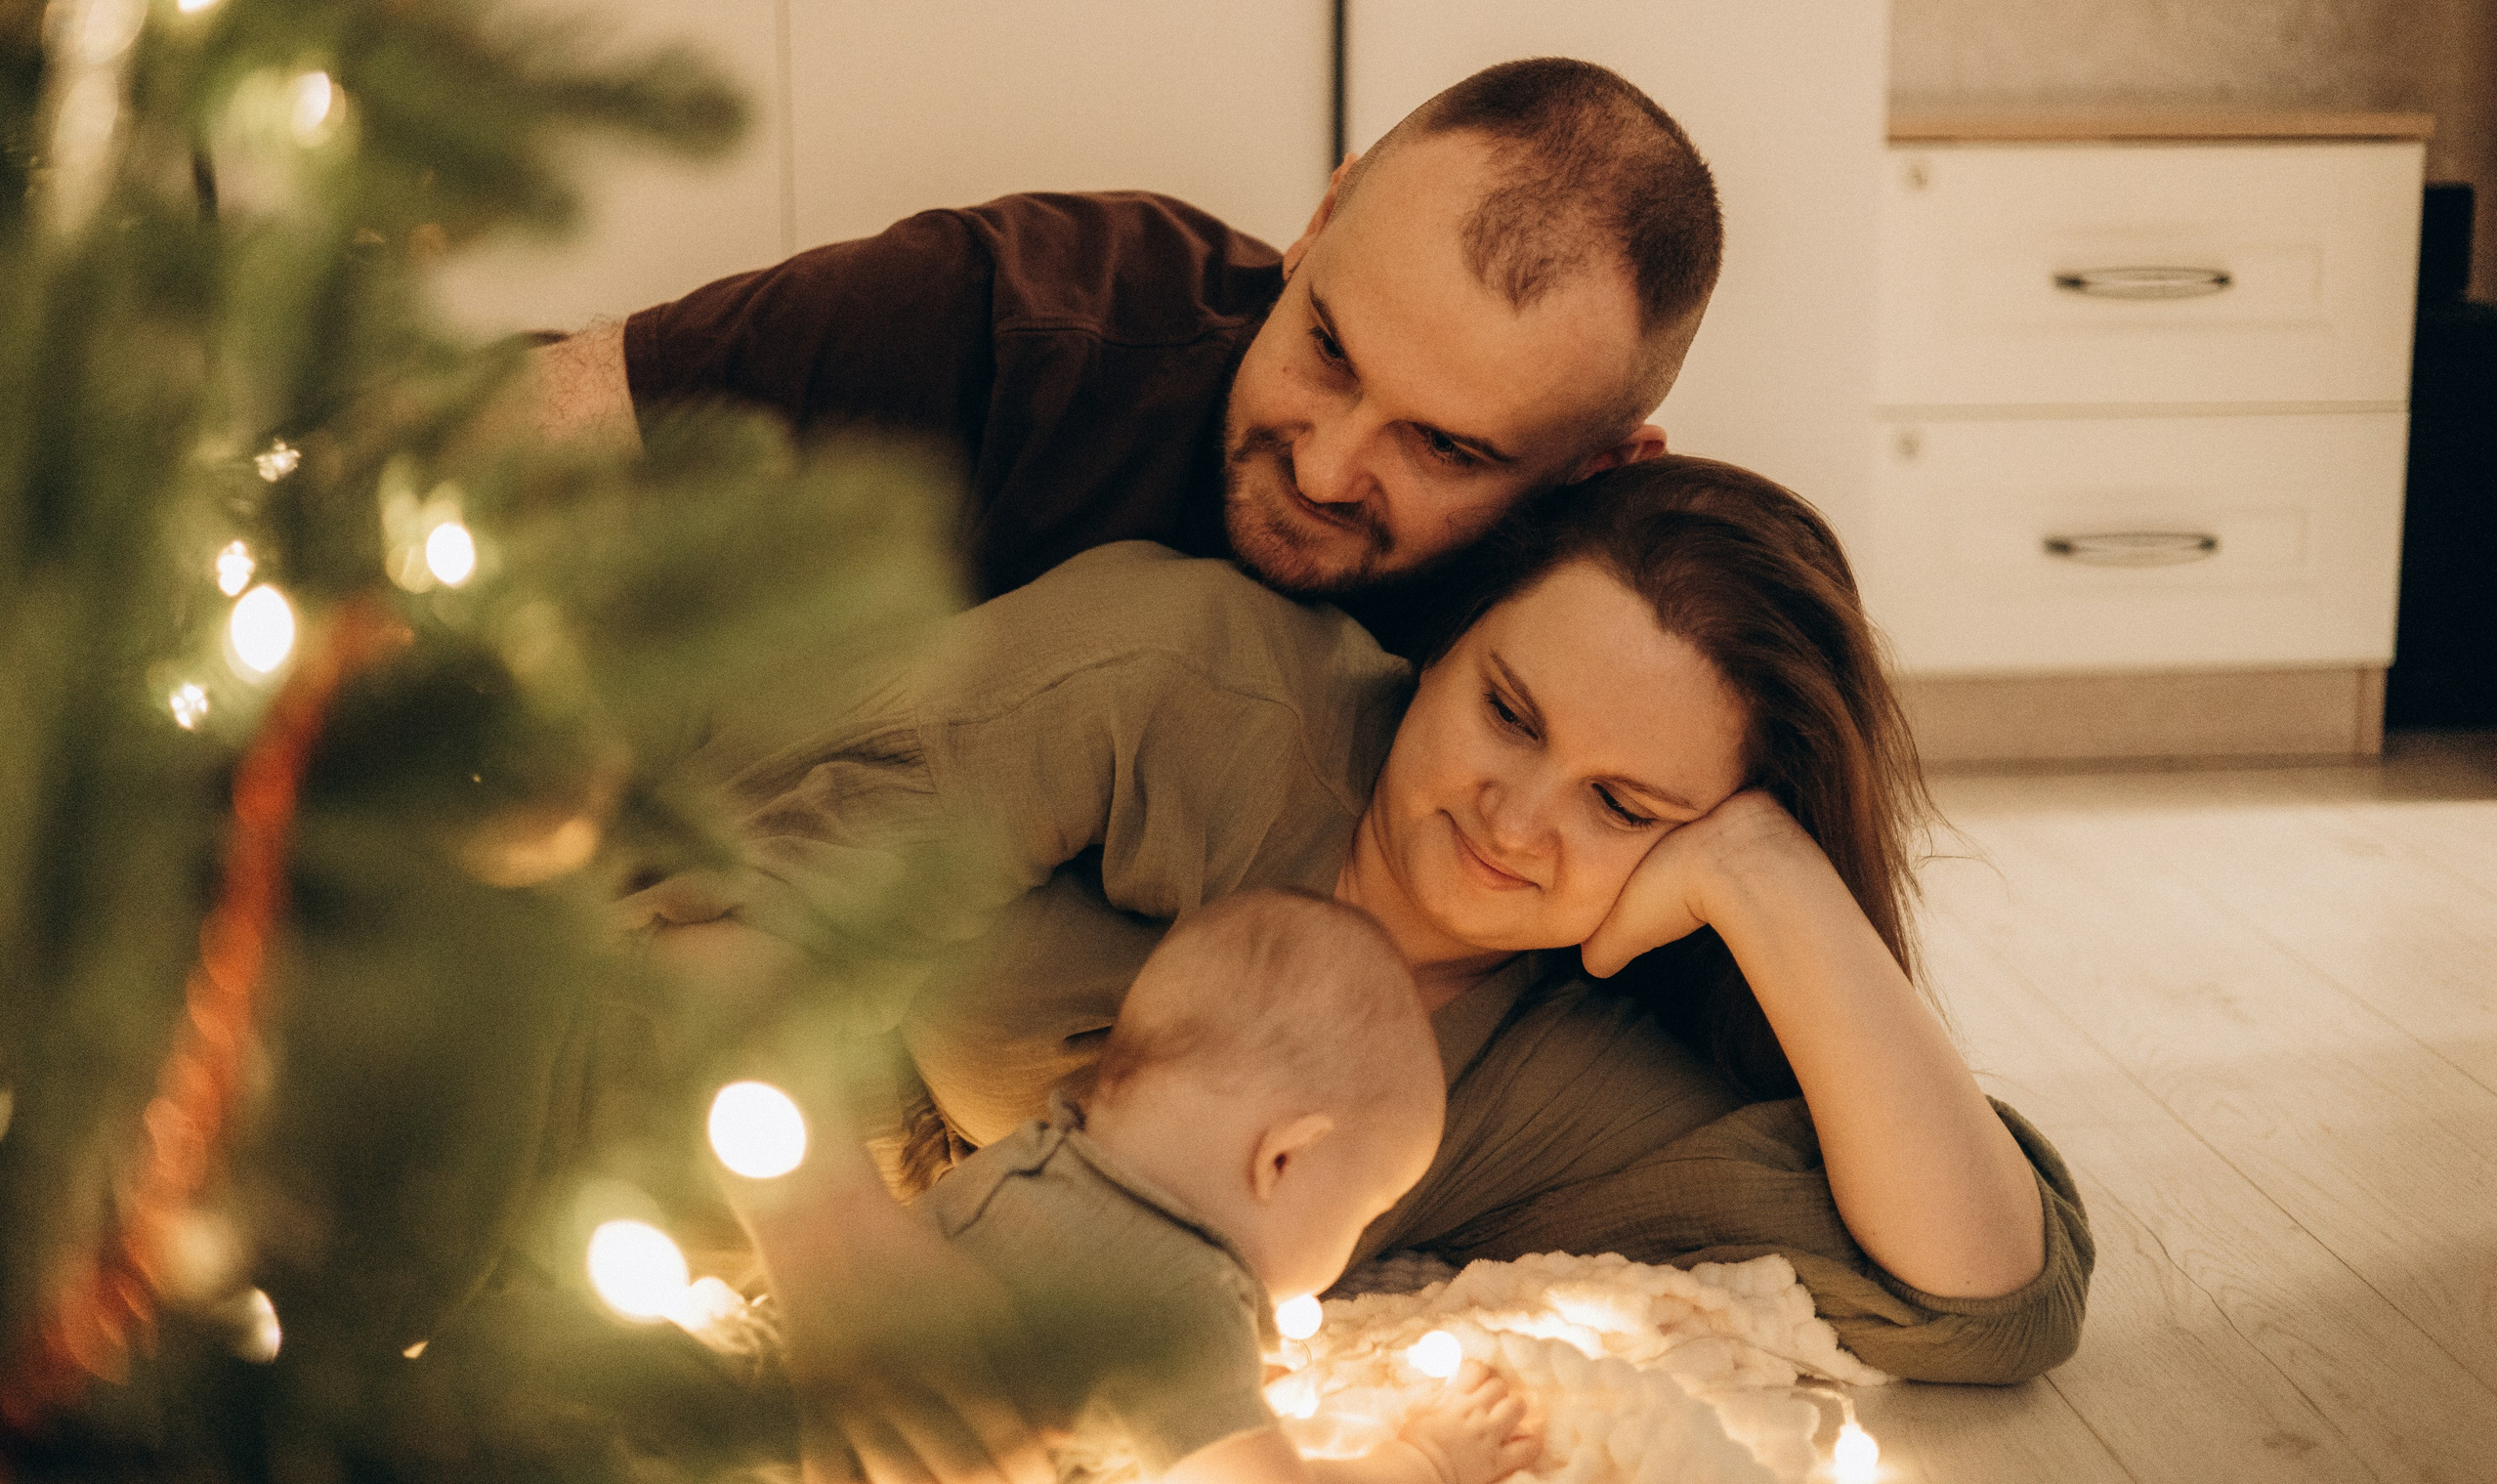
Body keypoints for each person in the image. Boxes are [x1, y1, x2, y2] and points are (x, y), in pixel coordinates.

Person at [651, 455, 2093, 1441]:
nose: (1511, 818)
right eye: (1507, 713)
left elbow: (1988, 1297)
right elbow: (703, 906)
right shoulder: (1184, 685)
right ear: (1448, 642)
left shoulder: (1557, 1068)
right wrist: (836, 1248)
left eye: (1622, 805)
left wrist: (1774, 880)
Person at [507, 58, 1721, 651]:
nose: (1325, 467)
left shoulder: (1610, 633)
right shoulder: (1018, 318)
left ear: (1597, 472)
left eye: (1445, 448)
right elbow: (533, 421)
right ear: (1318, 222)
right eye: (1329, 349)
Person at [913, 888, 1536, 1484]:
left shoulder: (1016, 1166)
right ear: (1283, 1160)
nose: (1359, 1237)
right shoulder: (1187, 1307)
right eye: (1365, 1212)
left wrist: (1223, 1398)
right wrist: (1428, 1462)